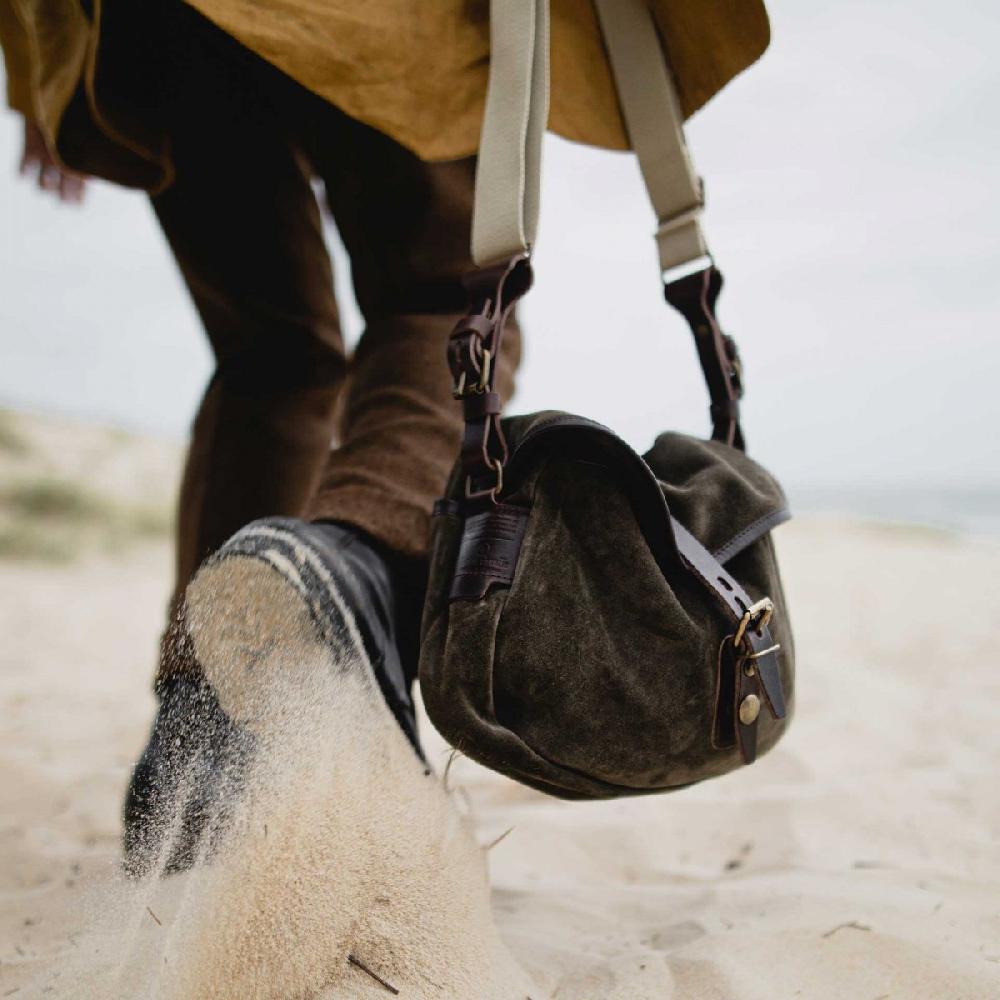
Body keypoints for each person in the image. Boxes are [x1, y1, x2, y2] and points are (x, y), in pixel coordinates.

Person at [1, 0, 770, 874]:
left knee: (272, 355)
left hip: (141, 24)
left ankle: (202, 730)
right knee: (441, 297)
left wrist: (41, 62)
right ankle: (353, 572)